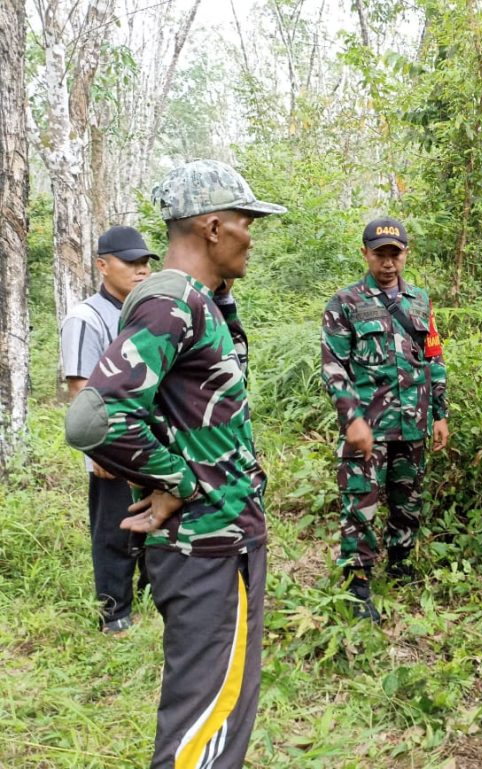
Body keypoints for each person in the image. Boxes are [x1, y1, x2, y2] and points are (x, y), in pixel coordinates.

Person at [65, 159, 285, 769]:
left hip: (221, 543)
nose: (252, 234)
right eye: (245, 221)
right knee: (203, 730)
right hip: (207, 549)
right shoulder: (170, 301)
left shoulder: (202, 302)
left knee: (216, 712)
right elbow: (92, 419)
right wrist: (180, 480)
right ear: (213, 227)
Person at [321, 216, 449, 623]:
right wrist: (351, 419)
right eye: (380, 254)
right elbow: (333, 367)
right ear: (366, 254)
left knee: (406, 500)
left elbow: (433, 357)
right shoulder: (345, 303)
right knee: (359, 503)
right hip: (368, 428)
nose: (388, 263)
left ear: (405, 254)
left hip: (413, 423)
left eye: (395, 254)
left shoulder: (420, 301)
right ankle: (358, 584)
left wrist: (439, 414)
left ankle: (400, 563)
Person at [60, 225, 156, 634]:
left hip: (152, 444)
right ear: (102, 265)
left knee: (155, 526)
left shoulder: (146, 311)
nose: (140, 271)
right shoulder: (86, 318)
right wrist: (99, 452)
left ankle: (154, 600)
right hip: (113, 447)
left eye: (145, 263)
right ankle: (114, 614)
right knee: (115, 532)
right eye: (130, 262)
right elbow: (81, 391)